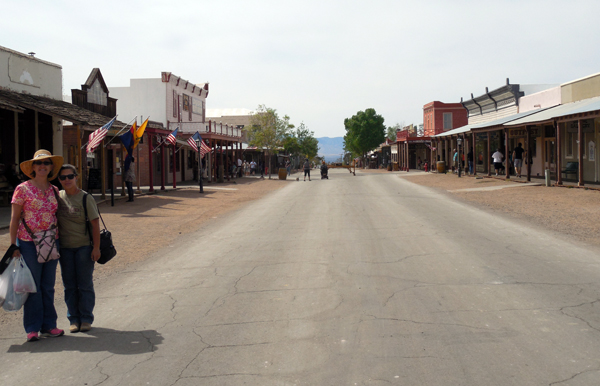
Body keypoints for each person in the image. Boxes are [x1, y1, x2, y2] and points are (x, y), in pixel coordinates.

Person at [9, 149, 64, 342]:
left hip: (50, 241)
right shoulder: (22, 189)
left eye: (46, 163)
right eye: (39, 163)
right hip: (28, 242)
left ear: (51, 167)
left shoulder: (54, 190)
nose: (42, 166)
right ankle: (32, 327)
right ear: (32, 167)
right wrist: (13, 245)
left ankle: (49, 325)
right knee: (33, 286)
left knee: (48, 286)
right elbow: (14, 219)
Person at [56, 164, 101, 333]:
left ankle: (86, 318)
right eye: (63, 177)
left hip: (83, 247)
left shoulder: (85, 198)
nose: (67, 180)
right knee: (69, 286)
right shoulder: (57, 197)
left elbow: (95, 224)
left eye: (70, 176)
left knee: (84, 284)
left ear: (76, 177)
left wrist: (96, 248)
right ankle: (73, 319)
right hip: (65, 249)